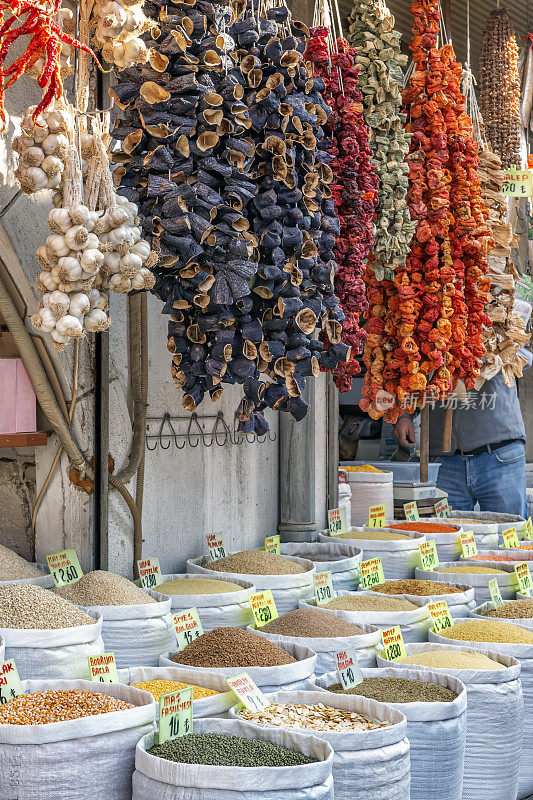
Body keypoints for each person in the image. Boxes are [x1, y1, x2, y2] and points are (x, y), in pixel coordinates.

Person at [392, 370, 529, 517]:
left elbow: (525, 356)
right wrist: (403, 415)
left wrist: (486, 357)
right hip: (444, 461)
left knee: (509, 532)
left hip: (499, 454)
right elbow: (409, 372)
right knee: (446, 534)